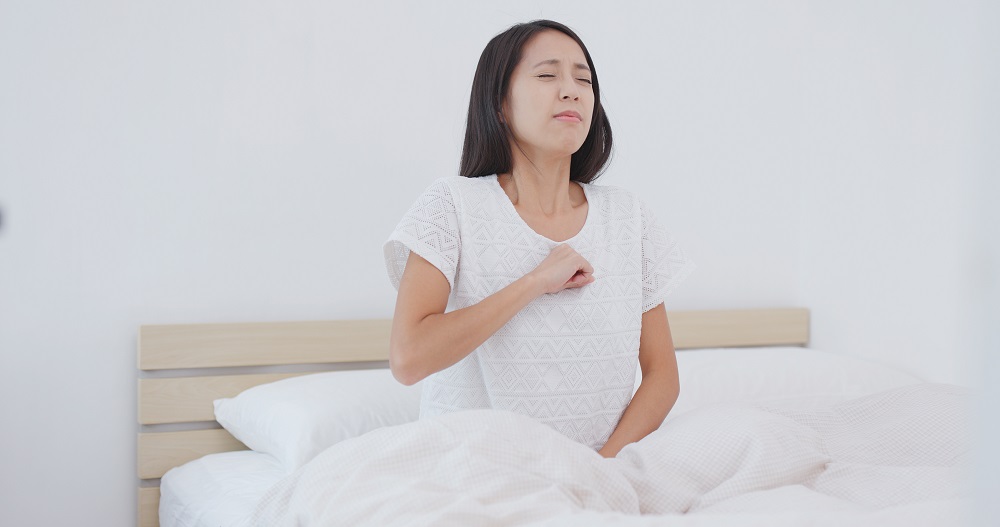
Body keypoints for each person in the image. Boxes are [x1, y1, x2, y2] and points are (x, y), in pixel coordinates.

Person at [383, 19, 695, 458]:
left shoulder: (628, 216)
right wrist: (534, 283)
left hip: (598, 480)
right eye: (548, 75)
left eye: (583, 79)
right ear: (499, 104)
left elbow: (663, 376)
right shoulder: (452, 205)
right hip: (472, 472)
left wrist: (600, 472)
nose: (571, 90)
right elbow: (408, 358)